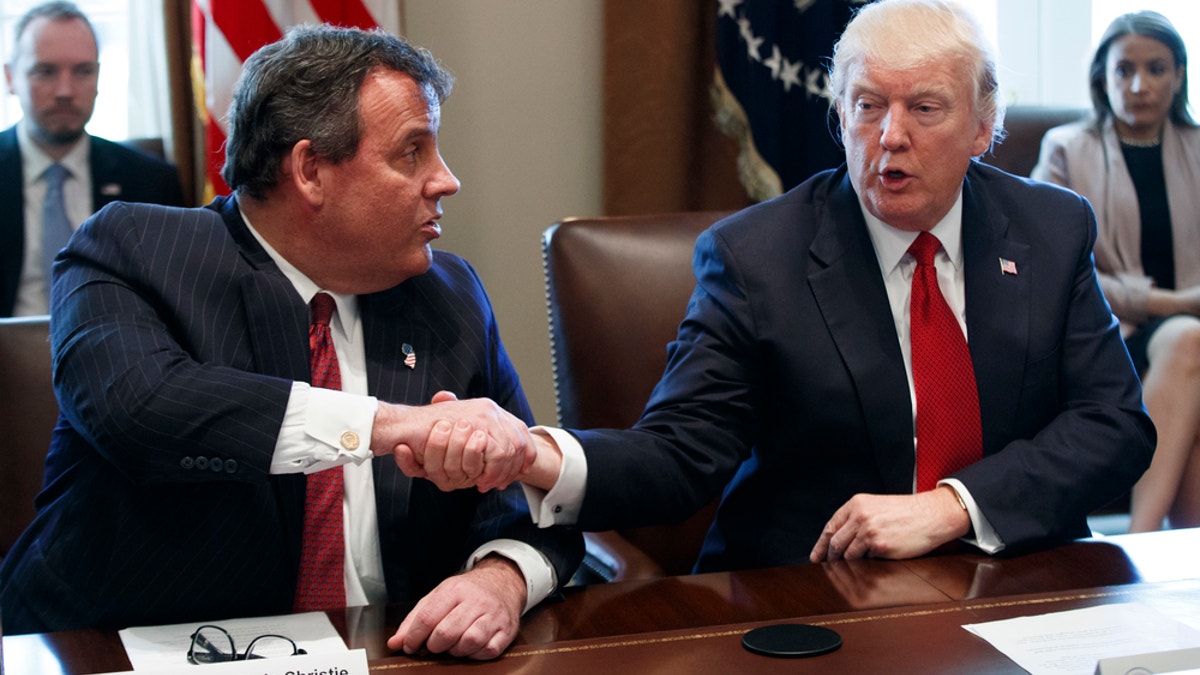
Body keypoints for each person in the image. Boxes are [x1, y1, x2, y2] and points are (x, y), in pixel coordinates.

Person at [400, 0, 1154, 601]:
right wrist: (531, 451)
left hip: (1018, 580)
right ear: (839, 115)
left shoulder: (1051, 228)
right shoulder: (758, 256)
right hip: (817, 594)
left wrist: (956, 503)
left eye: (925, 108)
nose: (889, 136)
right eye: (866, 106)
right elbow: (680, 455)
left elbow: (1114, 425)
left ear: (984, 126)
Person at [0, 24, 582, 661]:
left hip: (386, 653)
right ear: (310, 170)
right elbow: (139, 406)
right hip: (115, 652)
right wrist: (394, 426)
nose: (446, 180)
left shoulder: (449, 295)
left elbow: (532, 501)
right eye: (412, 152)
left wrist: (499, 581)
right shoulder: (136, 252)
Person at [1032, 12, 1200, 532]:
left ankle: (1181, 572)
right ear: (1101, 77)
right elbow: (1044, 266)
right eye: (1123, 69)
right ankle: (1142, 538)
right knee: (1188, 340)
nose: (1139, 85)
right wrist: (1169, 304)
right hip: (1110, 336)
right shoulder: (1065, 147)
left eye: (1155, 69)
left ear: (1178, 76)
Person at [1, 1, 185, 318]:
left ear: (99, 76)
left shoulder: (151, 181)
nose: (65, 90)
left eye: (83, 71)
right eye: (45, 71)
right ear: (10, 78)